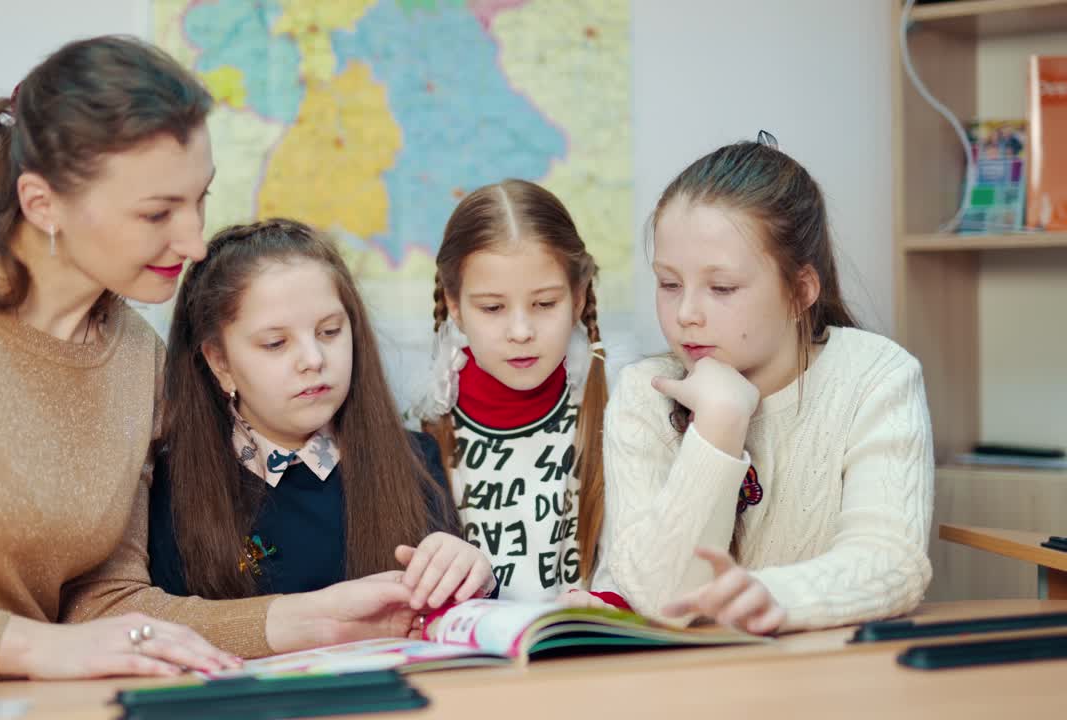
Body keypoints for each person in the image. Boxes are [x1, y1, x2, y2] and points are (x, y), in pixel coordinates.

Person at [0, 36, 430, 690]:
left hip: (26, 704)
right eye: (157, 213)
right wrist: (33, 648)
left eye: (198, 200)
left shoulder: (139, 363)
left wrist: (308, 619)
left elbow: (108, 604)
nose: (192, 241)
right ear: (43, 204)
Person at [578, 133, 933, 634]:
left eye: (721, 288)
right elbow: (661, 598)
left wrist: (774, 596)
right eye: (669, 283)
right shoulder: (645, 392)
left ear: (801, 290)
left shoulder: (876, 375)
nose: (685, 315)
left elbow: (891, 561)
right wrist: (719, 425)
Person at [148, 219, 494, 617]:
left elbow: (454, 623)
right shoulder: (171, 490)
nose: (313, 360)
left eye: (330, 332)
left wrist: (473, 577)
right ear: (219, 361)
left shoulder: (416, 458)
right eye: (276, 343)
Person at [411, 179, 612, 603]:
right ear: (454, 306)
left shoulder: (617, 413)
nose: (521, 332)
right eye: (492, 308)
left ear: (577, 298)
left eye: (544, 304)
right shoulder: (422, 431)